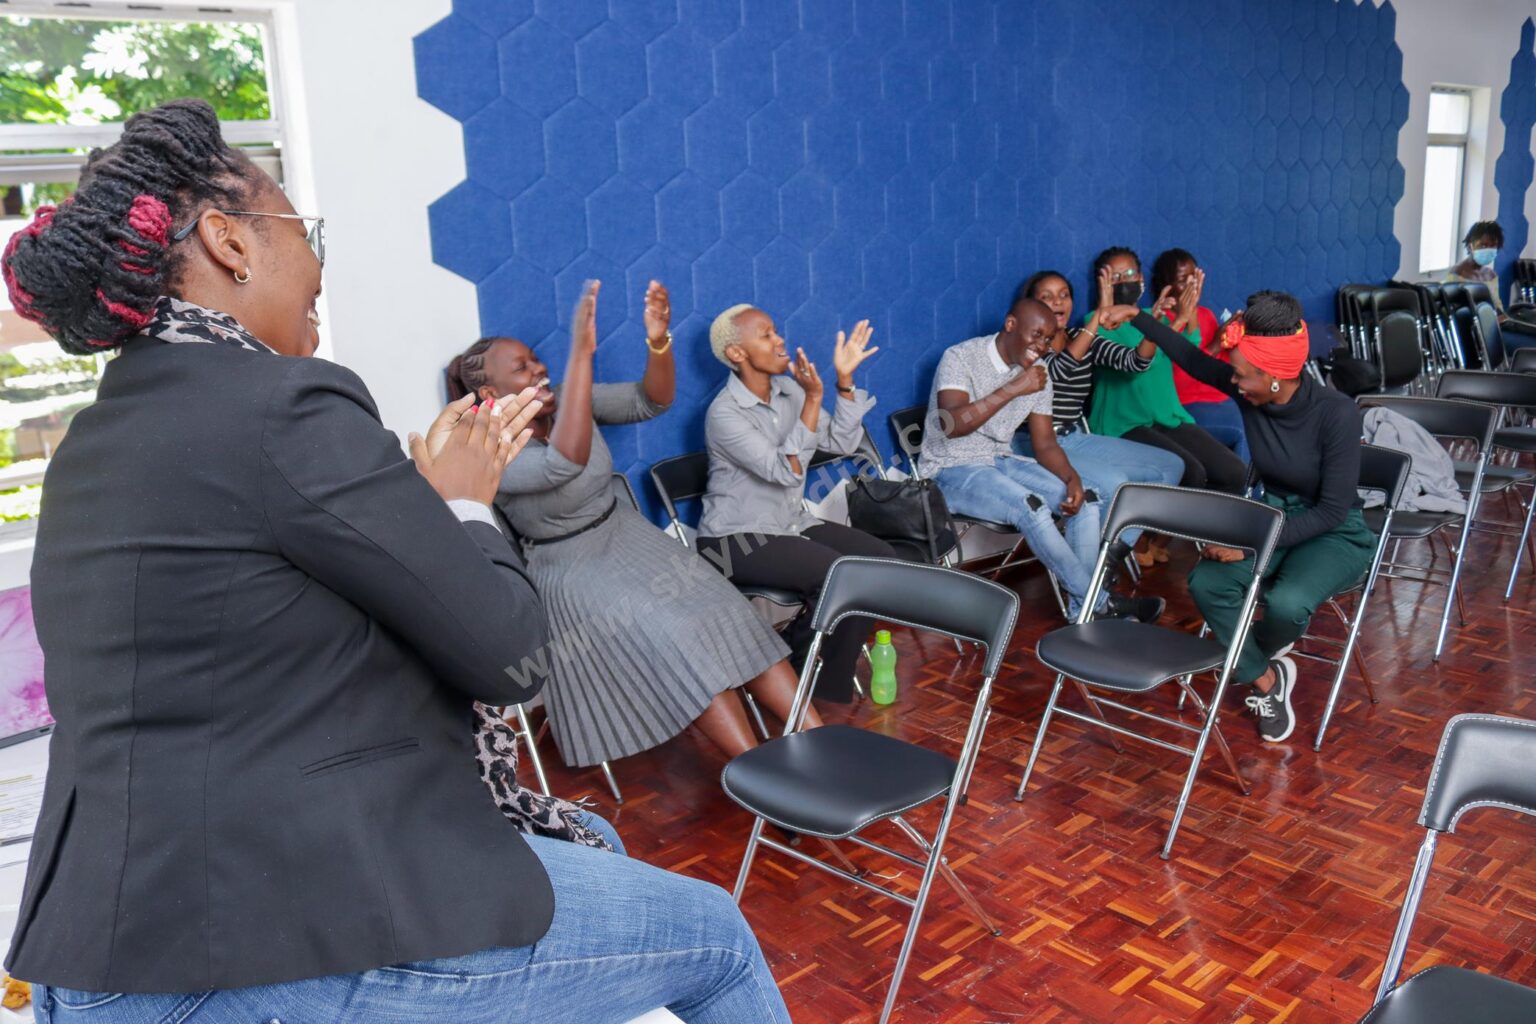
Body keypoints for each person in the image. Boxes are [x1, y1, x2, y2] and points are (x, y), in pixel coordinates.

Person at [1, 100, 790, 1023]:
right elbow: (510, 655)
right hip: (269, 939)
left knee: (596, 841)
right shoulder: (283, 405)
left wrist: (410, 511)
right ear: (228, 243)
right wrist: (461, 502)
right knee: (718, 942)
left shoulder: (95, 442)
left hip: (101, 951)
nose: (319, 268)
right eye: (305, 231)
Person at [449, 280, 816, 771]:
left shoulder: (562, 399)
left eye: (537, 359)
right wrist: (581, 356)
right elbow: (565, 461)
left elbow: (652, 400)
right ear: (490, 392)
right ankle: (761, 777)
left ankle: (818, 744)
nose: (539, 368)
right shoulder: (489, 445)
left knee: (730, 612)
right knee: (681, 637)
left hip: (628, 536)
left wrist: (658, 340)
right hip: (569, 568)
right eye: (522, 367)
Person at [1102, 276, 1376, 744]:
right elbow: (1190, 358)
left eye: (1242, 374)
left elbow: (1331, 511)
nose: (1234, 381)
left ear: (1275, 375)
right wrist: (1139, 316)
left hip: (1333, 531)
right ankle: (1267, 679)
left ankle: (1243, 655)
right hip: (1270, 513)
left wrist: (1251, 544)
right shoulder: (1248, 388)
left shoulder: (1336, 414)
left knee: (1289, 603)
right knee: (1207, 582)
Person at [921, 289, 1164, 623]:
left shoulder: (1039, 374)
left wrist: (1071, 478)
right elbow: (952, 425)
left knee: (1087, 499)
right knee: (1030, 507)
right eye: (1036, 335)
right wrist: (1014, 388)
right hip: (951, 469)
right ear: (1010, 324)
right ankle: (1102, 604)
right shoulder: (961, 357)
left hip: (999, 460)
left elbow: (1045, 443)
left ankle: (1083, 611)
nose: (1043, 345)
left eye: (1049, 339)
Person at [696, 305, 893, 702]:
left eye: (775, 331)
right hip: (733, 539)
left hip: (789, 523)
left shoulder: (791, 391)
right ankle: (794, 678)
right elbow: (785, 471)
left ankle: (806, 678)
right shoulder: (725, 414)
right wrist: (813, 398)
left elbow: (841, 442)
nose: (779, 339)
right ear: (737, 353)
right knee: (840, 575)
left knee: (879, 564)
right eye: (766, 334)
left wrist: (842, 382)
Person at [1086, 246, 1250, 566]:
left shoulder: (1148, 315)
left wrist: (1185, 317)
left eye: (1131, 274)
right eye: (1116, 276)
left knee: (1233, 472)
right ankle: (1144, 539)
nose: (1126, 281)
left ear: (1143, 279)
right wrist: (1168, 326)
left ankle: (1169, 539)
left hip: (1167, 415)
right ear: (1103, 282)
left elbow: (1187, 353)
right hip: (1124, 422)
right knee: (1191, 471)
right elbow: (1135, 362)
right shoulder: (1094, 322)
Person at [1014, 269, 1185, 537]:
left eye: (1064, 295)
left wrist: (1153, 328)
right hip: (1035, 443)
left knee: (1171, 466)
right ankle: (1094, 567)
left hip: (1075, 437)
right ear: (1032, 305)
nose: (1058, 302)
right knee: (1115, 483)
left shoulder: (1081, 338)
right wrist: (1096, 320)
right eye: (1047, 297)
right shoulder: (1026, 346)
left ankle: (1113, 554)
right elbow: (1059, 369)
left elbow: (1136, 362)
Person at [1151, 248, 1251, 463]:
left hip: (1221, 398)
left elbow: (1220, 370)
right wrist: (1214, 345)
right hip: (1186, 404)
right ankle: (1242, 495)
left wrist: (1229, 339)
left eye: (1193, 279)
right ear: (1165, 286)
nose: (1190, 287)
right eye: (1181, 281)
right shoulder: (1160, 321)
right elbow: (1178, 380)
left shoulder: (1205, 314)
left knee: (1262, 420)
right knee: (1244, 434)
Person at [1445, 220, 1508, 314]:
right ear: (1470, 246)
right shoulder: (1457, 273)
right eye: (1483, 245)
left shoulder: (1491, 275)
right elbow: (1453, 311)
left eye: (1493, 246)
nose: (1488, 249)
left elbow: (1497, 306)